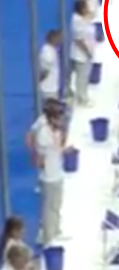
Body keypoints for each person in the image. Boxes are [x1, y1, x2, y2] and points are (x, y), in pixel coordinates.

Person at [26, 101, 66, 245]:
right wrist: (35, 156)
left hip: (56, 170)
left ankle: (55, 230)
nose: (61, 120)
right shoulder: (44, 133)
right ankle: (48, 237)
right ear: (52, 117)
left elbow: (29, 136)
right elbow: (56, 148)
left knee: (56, 204)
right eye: (59, 117)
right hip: (50, 176)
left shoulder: (42, 121)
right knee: (49, 207)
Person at [69, 0, 96, 107]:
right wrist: (87, 52)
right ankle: (82, 99)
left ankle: (81, 96)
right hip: (81, 54)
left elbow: (91, 15)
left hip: (85, 52)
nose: (88, 9)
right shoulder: (77, 21)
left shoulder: (82, 18)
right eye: (86, 7)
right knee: (82, 78)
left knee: (83, 77)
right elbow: (78, 39)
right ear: (81, 9)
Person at [37, 30, 62, 103]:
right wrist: (39, 82)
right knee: (51, 110)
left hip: (51, 86)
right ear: (53, 39)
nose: (60, 41)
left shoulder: (51, 49)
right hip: (48, 88)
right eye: (59, 38)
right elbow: (45, 72)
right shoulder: (48, 53)